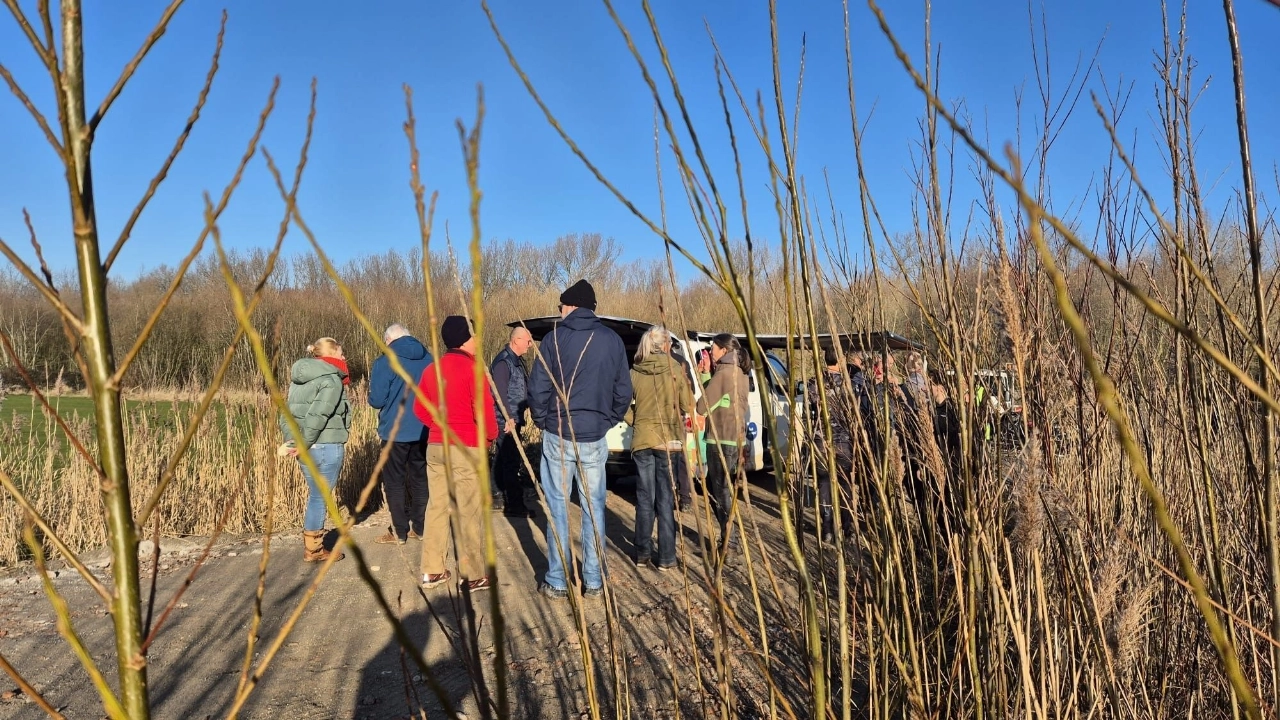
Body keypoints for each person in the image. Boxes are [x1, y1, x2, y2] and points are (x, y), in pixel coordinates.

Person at [528, 279, 632, 599]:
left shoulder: (553, 339)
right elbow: (623, 392)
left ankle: (558, 580)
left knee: (557, 507)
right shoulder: (612, 341)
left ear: (571, 306)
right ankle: (593, 580)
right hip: (593, 437)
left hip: (558, 434)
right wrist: (606, 421)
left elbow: (538, 388)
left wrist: (545, 421)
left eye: (561, 306)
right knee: (593, 508)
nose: (559, 312)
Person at [414, 316, 499, 593]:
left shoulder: (431, 369)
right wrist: (489, 437)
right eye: (475, 335)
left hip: (437, 446)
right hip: (466, 446)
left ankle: (431, 570)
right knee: (468, 511)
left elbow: (420, 409)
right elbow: (484, 413)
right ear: (466, 338)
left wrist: (438, 426)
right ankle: (473, 575)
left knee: (436, 508)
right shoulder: (473, 370)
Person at [280, 337, 352, 563]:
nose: (344, 357)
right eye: (341, 353)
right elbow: (317, 417)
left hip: (307, 448)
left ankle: (313, 546)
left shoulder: (298, 380)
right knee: (321, 497)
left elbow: (286, 414)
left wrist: (292, 441)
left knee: (316, 496)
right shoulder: (331, 380)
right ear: (331, 354)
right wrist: (302, 443)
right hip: (325, 445)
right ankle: (314, 550)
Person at [627, 326, 692, 570]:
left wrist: (638, 419)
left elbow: (620, 402)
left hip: (643, 439)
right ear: (666, 345)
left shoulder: (635, 371)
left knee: (644, 499)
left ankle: (642, 554)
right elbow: (687, 405)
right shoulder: (677, 370)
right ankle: (666, 557)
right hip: (669, 441)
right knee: (666, 499)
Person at [367, 323, 433, 545]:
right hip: (424, 429)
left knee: (394, 481)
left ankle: (399, 532)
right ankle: (421, 527)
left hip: (395, 431)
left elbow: (376, 400)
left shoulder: (385, 361)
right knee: (420, 478)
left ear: (388, 340)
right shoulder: (430, 359)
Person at [696, 333, 750, 558]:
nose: (710, 352)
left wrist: (706, 376)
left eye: (713, 348)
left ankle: (729, 542)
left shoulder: (724, 374)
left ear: (724, 351)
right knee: (729, 491)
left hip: (720, 439)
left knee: (720, 494)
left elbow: (702, 406)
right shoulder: (741, 372)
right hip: (737, 439)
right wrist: (710, 373)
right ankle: (731, 540)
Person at [805, 346, 857, 543]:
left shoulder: (814, 383)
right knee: (845, 484)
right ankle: (848, 528)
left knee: (824, 484)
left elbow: (810, 409)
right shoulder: (847, 384)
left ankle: (827, 529)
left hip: (821, 439)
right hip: (843, 439)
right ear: (841, 360)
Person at [490, 326, 536, 519]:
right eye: (528, 340)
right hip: (505, 421)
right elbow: (499, 392)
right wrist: (509, 417)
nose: (530, 344)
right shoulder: (503, 363)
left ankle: (496, 496)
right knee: (511, 461)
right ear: (516, 340)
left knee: (502, 459)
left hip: (513, 419)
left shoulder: (517, 362)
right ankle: (514, 504)